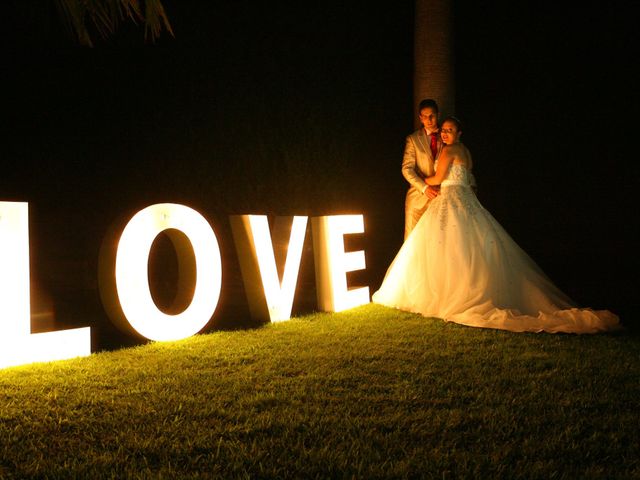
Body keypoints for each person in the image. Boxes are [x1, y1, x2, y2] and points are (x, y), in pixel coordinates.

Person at [373, 116, 621, 334]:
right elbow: (467, 180)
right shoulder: (466, 152)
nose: (445, 133)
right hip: (467, 199)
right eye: (444, 130)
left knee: (446, 246)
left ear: (459, 133)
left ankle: (448, 294)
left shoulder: (449, 151)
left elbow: (438, 178)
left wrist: (420, 180)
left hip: (451, 200)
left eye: (449, 130)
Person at [402, 99, 443, 239]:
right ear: (420, 118)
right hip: (418, 200)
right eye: (425, 116)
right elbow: (407, 169)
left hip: (442, 198)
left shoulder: (447, 136)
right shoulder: (413, 139)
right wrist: (425, 188)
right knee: (414, 243)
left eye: (432, 115)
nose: (429, 120)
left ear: (437, 114)